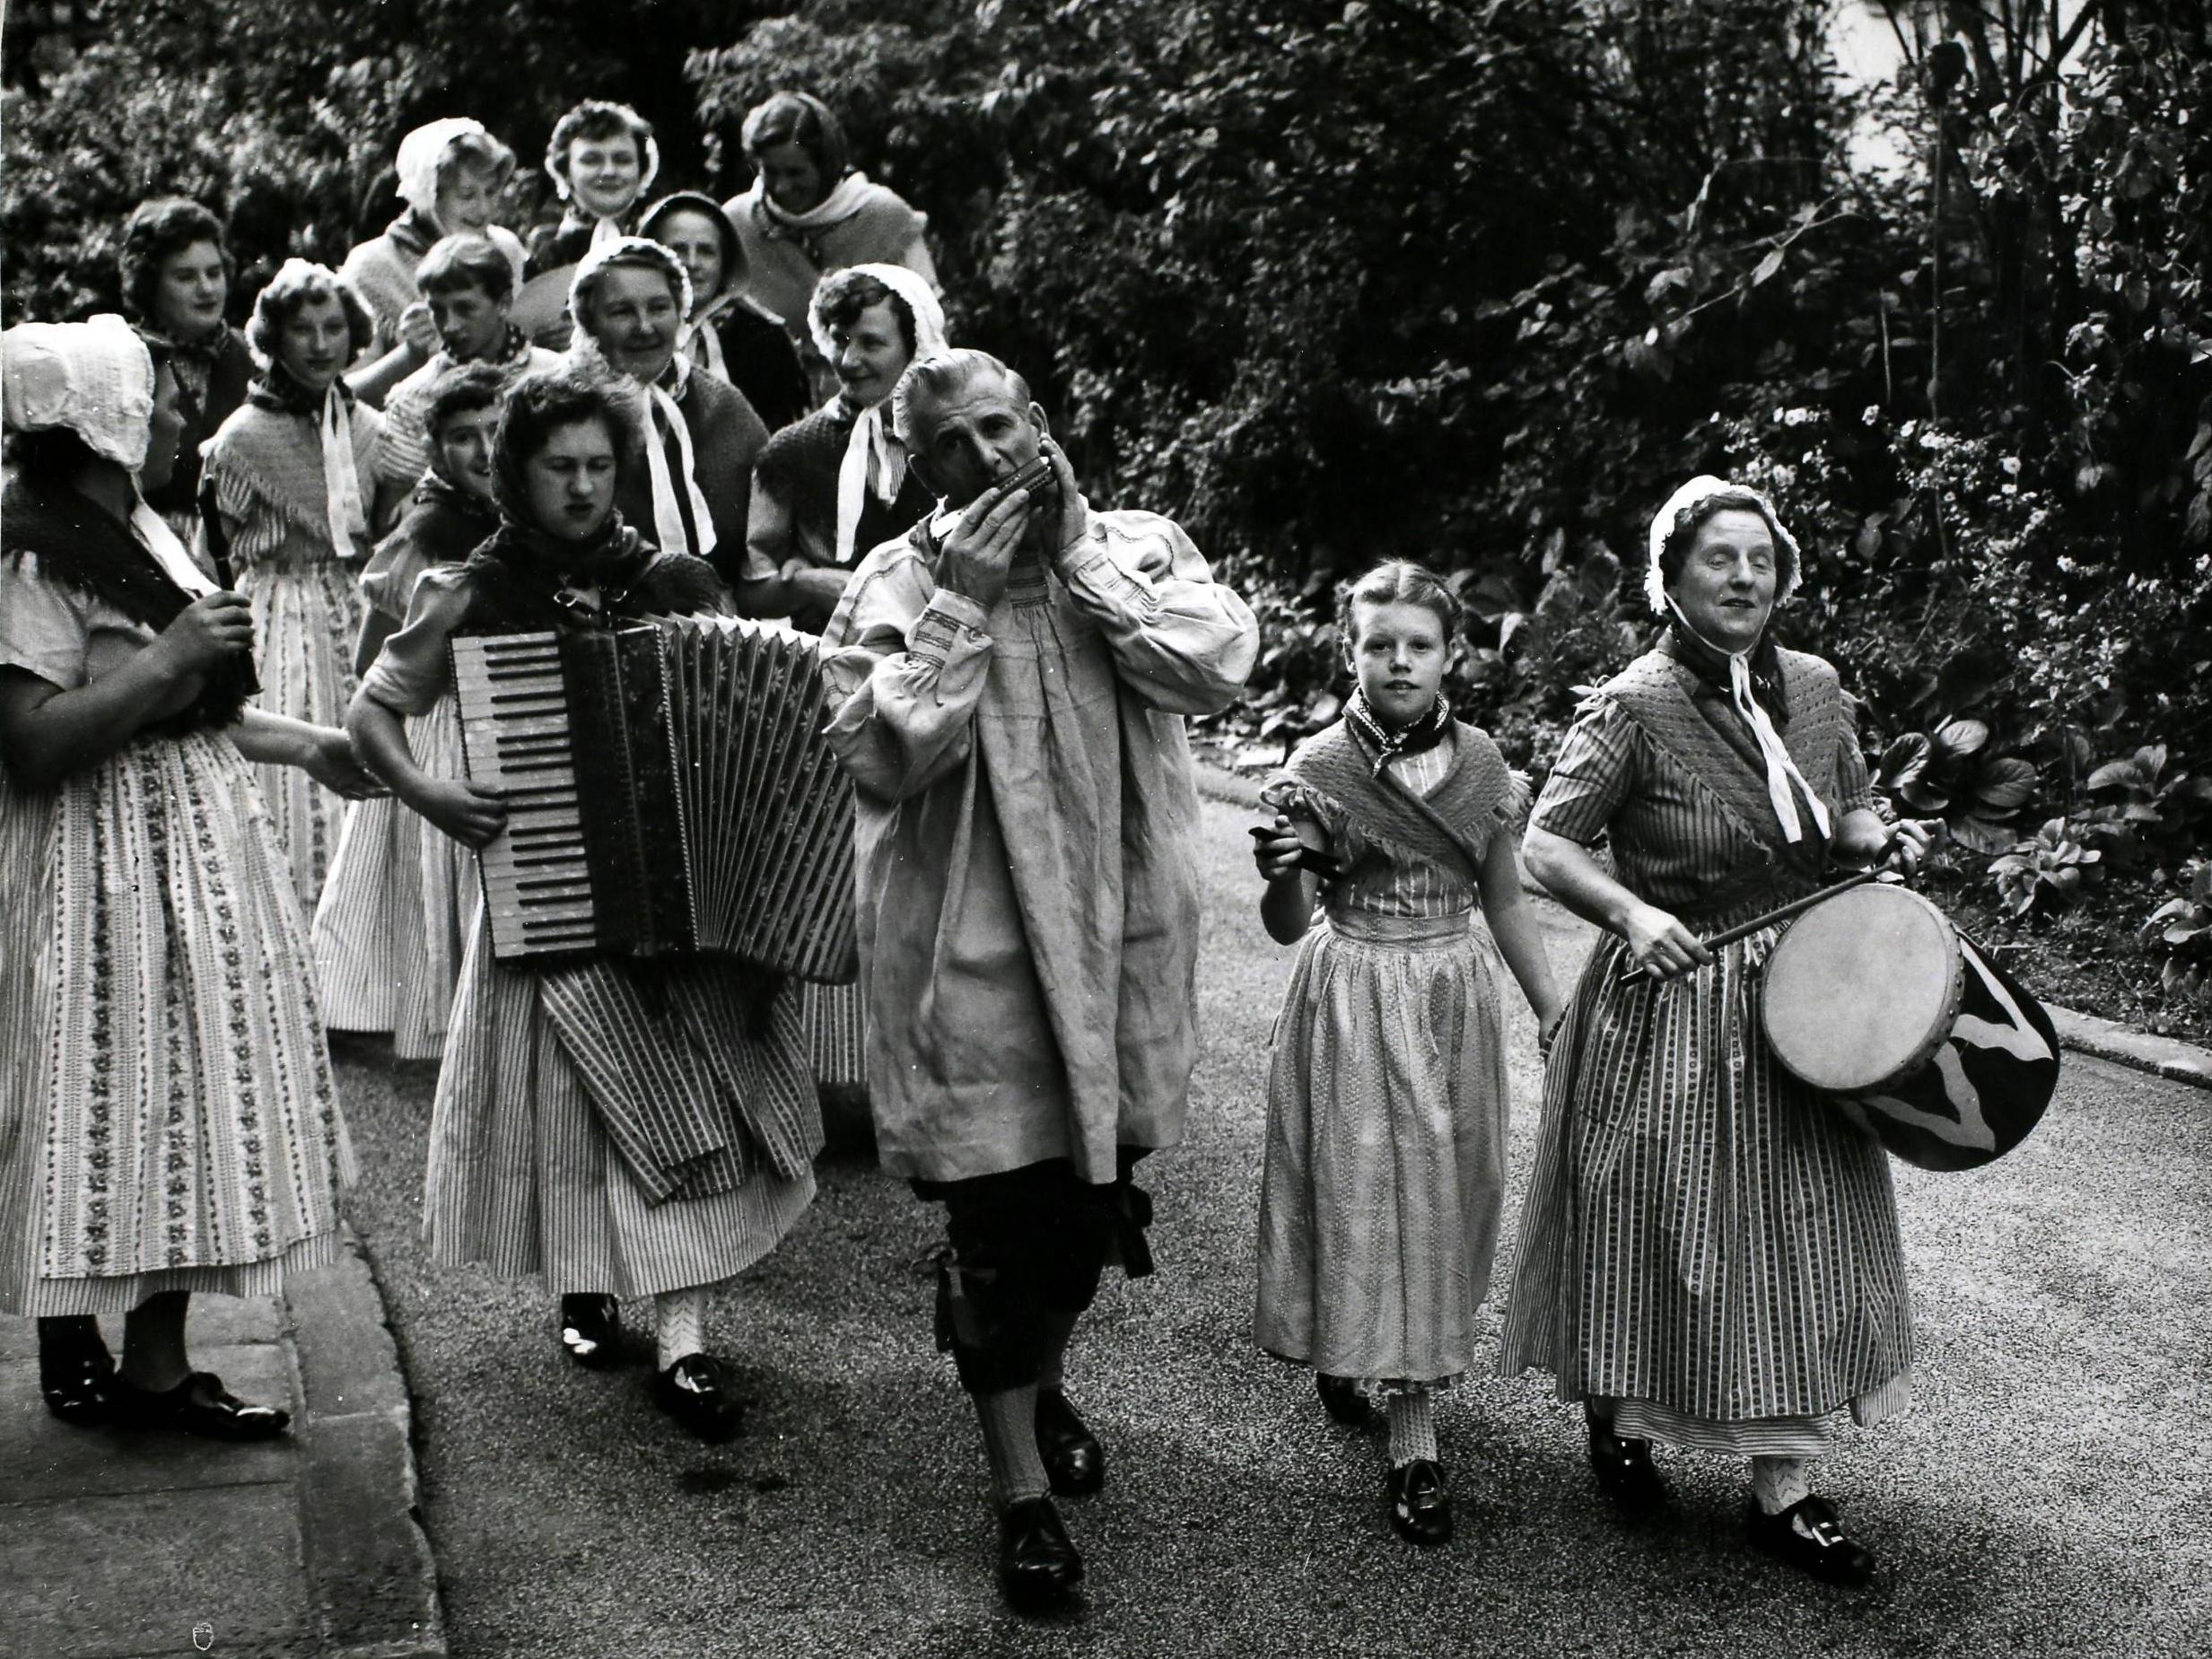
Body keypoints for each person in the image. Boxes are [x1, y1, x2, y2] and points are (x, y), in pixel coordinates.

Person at [819, 348, 1258, 1611]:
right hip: (973, 956)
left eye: (1000, 427)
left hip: (1123, 952)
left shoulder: (1134, 545)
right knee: (996, 1230)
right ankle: (1018, 1491)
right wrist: (960, 604)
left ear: (1043, 425)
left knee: (1084, 1217)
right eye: (950, 444)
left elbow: (1215, 664)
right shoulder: (897, 579)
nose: (987, 458)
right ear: (922, 467)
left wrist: (1077, 560)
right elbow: (885, 754)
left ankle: (1043, 1375)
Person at [346, 370, 818, 1441]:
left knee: (692, 1101)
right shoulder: (470, 590)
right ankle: (583, 1285)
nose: (581, 486)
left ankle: (685, 1341)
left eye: (599, 465)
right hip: (546, 888)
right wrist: (430, 791)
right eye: (559, 467)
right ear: (517, 472)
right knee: (575, 1108)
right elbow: (375, 712)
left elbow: (751, 706)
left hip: (680, 896)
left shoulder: (668, 578)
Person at [1496, 476, 1933, 1587]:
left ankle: (1783, 1485)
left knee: (1798, 1229)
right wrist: (1633, 913)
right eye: (1717, 559)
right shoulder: (1631, 703)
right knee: (1657, 1225)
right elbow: (1547, 846)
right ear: (1671, 577)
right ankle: (1621, 1422)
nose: (1743, 578)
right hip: (1673, 1002)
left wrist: (1881, 847)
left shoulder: (1818, 689)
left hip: (1804, 996)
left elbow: (1845, 812)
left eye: (1760, 559)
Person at [0, 316, 373, 1438]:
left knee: (184, 1109)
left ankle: (159, 1371)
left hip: (191, 855)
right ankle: (88, 1341)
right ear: (104, 428)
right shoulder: (28, 552)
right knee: (106, 1104)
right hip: (98, 868)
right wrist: (168, 658)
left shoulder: (141, 526)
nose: (177, 420)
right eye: (159, 404)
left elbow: (196, 711)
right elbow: (32, 742)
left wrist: (311, 743)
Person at [1250, 560, 1564, 1549]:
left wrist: (1554, 1013)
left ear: (1447, 656)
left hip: (1447, 994)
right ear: (1350, 650)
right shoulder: (1318, 766)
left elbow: (1506, 901)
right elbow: (1286, 920)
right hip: (1350, 990)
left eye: (1417, 644)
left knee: (1439, 1198)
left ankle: (1391, 1368)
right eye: (1377, 642)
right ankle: (1413, 1438)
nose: (1397, 660)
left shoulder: (1481, 765)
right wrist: (1281, 871)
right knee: (1356, 1191)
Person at [312, 363, 504, 1058]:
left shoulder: (524, 514)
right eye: (463, 437)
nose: (484, 450)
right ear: (435, 452)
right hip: (438, 719)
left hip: (507, 711)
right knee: (428, 878)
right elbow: (374, 659)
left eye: (497, 430)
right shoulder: (429, 530)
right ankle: (441, 1016)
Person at [198, 260, 383, 909]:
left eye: (334, 327)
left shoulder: (368, 427)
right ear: (273, 338)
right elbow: (207, 552)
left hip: (353, 603)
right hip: (276, 610)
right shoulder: (242, 436)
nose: (320, 343)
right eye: (301, 329)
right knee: (295, 765)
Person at [739, 265, 945, 632]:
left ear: (915, 344)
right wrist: (808, 584)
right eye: (840, 340)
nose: (849, 361)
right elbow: (753, 591)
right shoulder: (791, 452)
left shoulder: (950, 437)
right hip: (836, 661)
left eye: (871, 343)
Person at [566, 236, 767, 589]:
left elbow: (768, 528)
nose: (644, 327)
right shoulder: (558, 407)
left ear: (680, 311)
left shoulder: (721, 403)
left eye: (659, 308)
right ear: (588, 321)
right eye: (622, 312)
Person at [723, 92, 937, 398]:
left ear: (826, 165)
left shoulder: (885, 217)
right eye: (770, 171)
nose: (782, 187)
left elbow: (931, 326)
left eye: (796, 172)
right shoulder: (738, 222)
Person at [367, 231, 562, 530]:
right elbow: (391, 522)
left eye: (465, 308)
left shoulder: (557, 376)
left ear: (503, 302)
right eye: (438, 310)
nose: (450, 325)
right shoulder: (414, 395)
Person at [340, 118, 529, 407]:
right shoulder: (372, 265)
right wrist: (408, 356)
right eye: (467, 195)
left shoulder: (506, 248)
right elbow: (346, 393)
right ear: (428, 194)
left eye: (491, 191)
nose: (484, 208)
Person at [117, 197, 252, 549]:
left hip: (244, 549)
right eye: (185, 276)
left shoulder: (250, 354)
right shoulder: (127, 359)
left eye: (214, 272)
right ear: (151, 284)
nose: (207, 289)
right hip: (150, 545)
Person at [636, 190, 808, 433]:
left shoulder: (762, 338)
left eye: (706, 251)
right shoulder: (627, 331)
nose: (692, 263)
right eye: (678, 249)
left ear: (725, 263)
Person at [525, 100, 658, 278]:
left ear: (641, 170)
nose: (609, 171)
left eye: (622, 159)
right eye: (591, 160)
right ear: (565, 171)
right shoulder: (545, 251)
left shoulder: (661, 237)